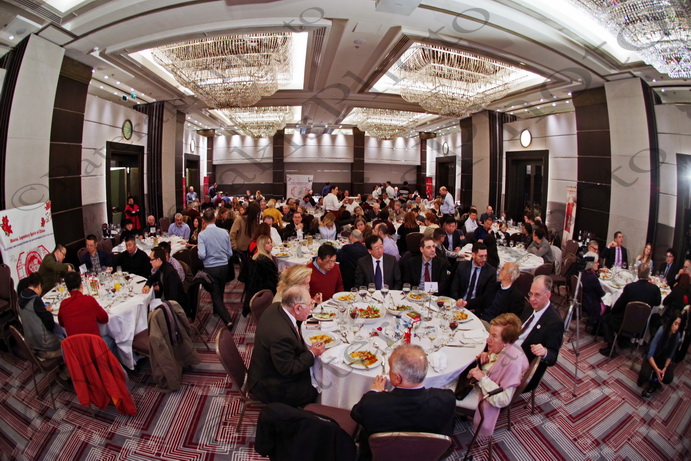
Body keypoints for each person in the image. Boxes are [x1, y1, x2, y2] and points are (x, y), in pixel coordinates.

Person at [350, 344, 455, 461]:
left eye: (390, 369)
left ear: (397, 378)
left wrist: (374, 392)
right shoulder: (447, 398)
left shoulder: (371, 403)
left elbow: (355, 414)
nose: (388, 372)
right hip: (425, 455)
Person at [247, 286, 325, 407]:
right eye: (309, 305)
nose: (311, 308)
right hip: (269, 384)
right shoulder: (282, 337)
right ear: (297, 308)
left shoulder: (276, 307)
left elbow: (295, 321)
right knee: (316, 389)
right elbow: (288, 370)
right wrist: (312, 353)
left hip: (265, 366)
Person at [455, 313, 529, 438]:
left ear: (506, 341)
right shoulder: (507, 347)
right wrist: (488, 357)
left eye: (494, 336)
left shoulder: (512, 363)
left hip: (483, 398)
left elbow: (504, 400)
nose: (488, 340)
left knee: (443, 390)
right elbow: (496, 362)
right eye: (490, 334)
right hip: (481, 384)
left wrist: (482, 378)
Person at [600, 263, 661, 357]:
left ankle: (610, 347)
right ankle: (624, 341)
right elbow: (657, 303)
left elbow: (619, 305)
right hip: (641, 325)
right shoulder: (655, 289)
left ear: (638, 273)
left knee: (606, 319)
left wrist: (612, 312)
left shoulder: (630, 287)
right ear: (649, 274)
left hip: (625, 323)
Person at [515, 275, 564, 390]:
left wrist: (544, 352)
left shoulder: (555, 322)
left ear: (547, 296)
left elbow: (552, 357)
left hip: (523, 366)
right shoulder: (529, 307)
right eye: (530, 294)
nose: (532, 299)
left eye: (537, 295)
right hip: (510, 351)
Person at [58, 271, 117, 356]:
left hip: (76, 351)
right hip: (94, 349)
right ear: (81, 285)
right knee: (112, 339)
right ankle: (113, 363)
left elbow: (61, 323)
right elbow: (104, 319)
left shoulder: (63, 304)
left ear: (67, 288)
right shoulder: (89, 300)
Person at [197, 208, 234, 330]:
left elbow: (201, 255)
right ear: (214, 219)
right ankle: (216, 310)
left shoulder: (202, 235)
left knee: (215, 294)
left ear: (203, 220)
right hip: (224, 266)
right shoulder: (224, 232)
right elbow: (230, 252)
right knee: (220, 290)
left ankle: (227, 320)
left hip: (211, 267)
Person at [17, 273, 62, 359]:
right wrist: (47, 312)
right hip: (45, 347)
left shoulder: (20, 299)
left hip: (31, 344)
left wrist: (43, 310)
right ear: (38, 286)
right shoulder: (35, 300)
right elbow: (50, 324)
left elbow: (33, 315)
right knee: (70, 342)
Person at [638, 312, 682, 398]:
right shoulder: (661, 330)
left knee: (668, 378)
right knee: (644, 375)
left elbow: (670, 356)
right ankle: (644, 376)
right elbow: (650, 354)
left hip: (663, 359)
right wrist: (657, 369)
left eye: (679, 325)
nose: (677, 327)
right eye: (675, 323)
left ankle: (655, 379)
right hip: (653, 357)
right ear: (671, 322)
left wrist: (664, 368)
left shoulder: (677, 336)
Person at [243, 235, 279, 317]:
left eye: (270, 242)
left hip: (257, 287)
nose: (271, 245)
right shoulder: (265, 261)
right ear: (262, 245)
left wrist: (277, 272)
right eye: (268, 243)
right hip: (266, 289)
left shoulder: (257, 257)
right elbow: (274, 280)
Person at [580, 251, 606, 330]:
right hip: (591, 304)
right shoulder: (593, 278)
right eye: (596, 262)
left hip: (583, 300)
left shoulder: (582, 273)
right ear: (591, 264)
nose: (598, 264)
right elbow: (601, 294)